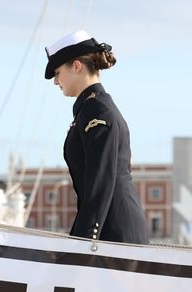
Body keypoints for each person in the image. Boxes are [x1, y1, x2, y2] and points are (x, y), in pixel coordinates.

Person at [44, 31, 149, 244]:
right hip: (108, 229)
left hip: (115, 233)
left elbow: (100, 184)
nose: (56, 81)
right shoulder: (90, 109)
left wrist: (84, 241)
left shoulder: (97, 111)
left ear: (76, 66)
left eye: (57, 73)